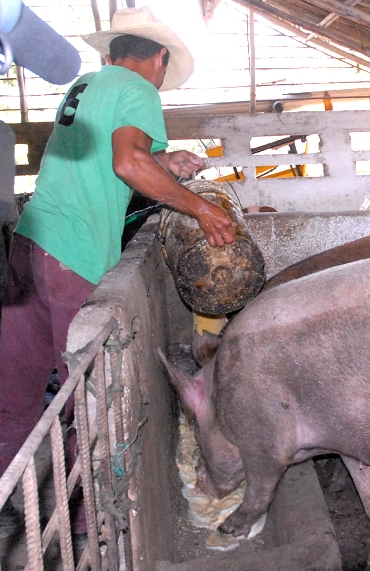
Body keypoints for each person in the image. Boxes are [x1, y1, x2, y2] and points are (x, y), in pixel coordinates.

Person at [0, 6, 236, 539]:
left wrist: (168, 161)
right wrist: (200, 208)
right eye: (162, 69)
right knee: (87, 395)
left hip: (29, 246)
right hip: (75, 256)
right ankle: (89, 525)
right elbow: (128, 164)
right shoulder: (139, 90)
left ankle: (9, 502)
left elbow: (120, 161)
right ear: (158, 57)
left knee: (16, 391)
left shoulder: (86, 84)